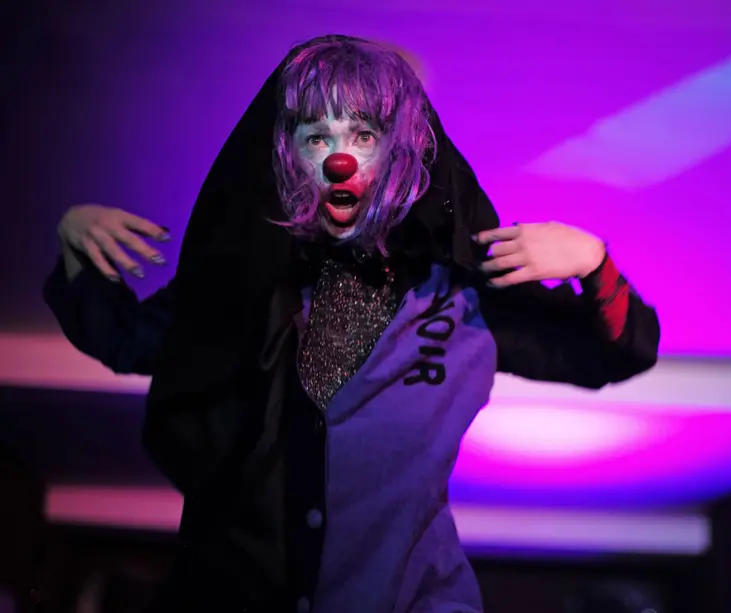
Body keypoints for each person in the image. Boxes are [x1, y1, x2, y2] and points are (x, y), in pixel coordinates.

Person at [44, 35, 660, 613]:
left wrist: (593, 263)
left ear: (405, 147)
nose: (340, 157)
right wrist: (77, 247)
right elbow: (127, 338)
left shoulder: (465, 293)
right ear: (286, 152)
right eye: (318, 136)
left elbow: (611, 353)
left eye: (365, 133)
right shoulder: (242, 283)